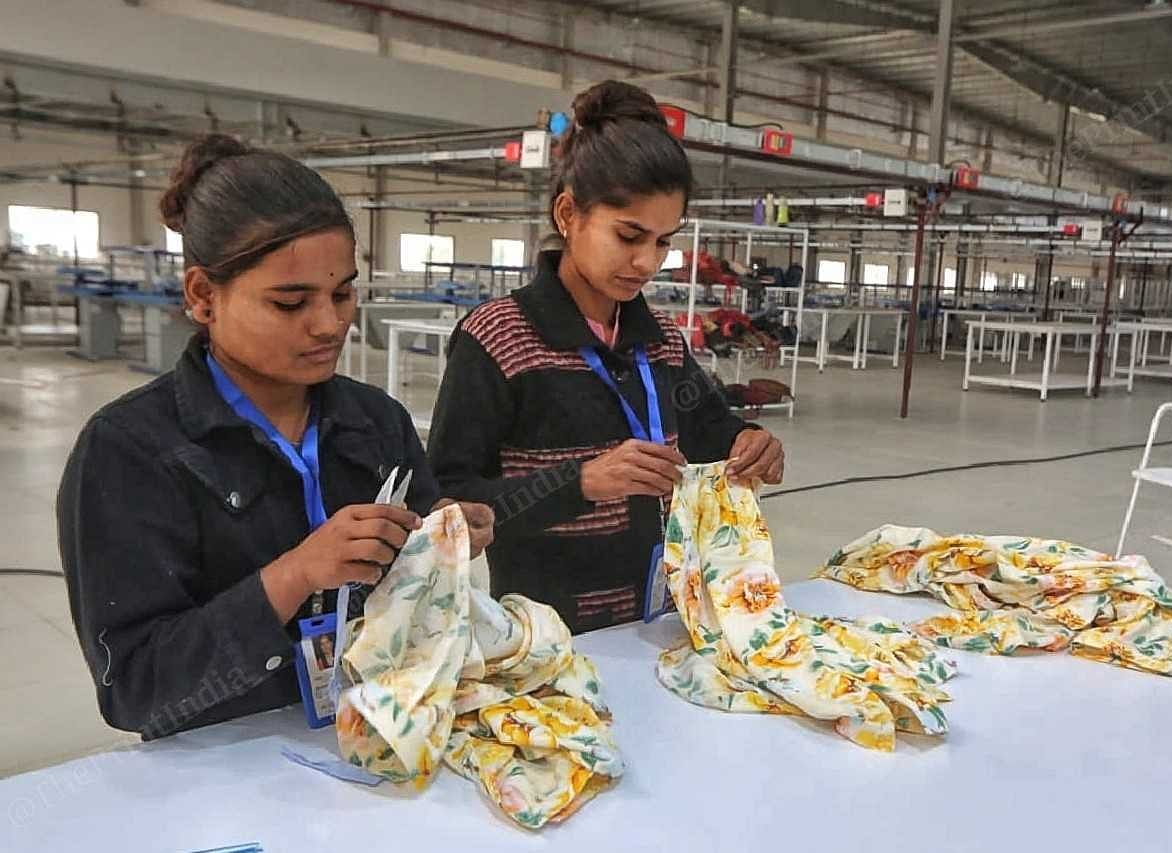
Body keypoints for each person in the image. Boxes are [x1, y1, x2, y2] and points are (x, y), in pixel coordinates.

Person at [56, 135, 494, 740]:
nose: (330, 323)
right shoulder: (131, 452)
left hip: (381, 736)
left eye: (342, 293)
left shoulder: (377, 422)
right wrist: (294, 576)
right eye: (291, 303)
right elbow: (136, 690)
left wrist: (444, 541)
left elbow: (423, 608)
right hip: (227, 770)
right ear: (204, 296)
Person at [427, 81, 784, 634]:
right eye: (629, 235)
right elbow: (449, 504)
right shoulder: (498, 338)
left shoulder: (660, 339)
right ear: (569, 214)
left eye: (664, 242)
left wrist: (748, 441)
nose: (646, 262)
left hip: (667, 617)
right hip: (549, 635)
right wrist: (583, 483)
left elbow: (710, 428)